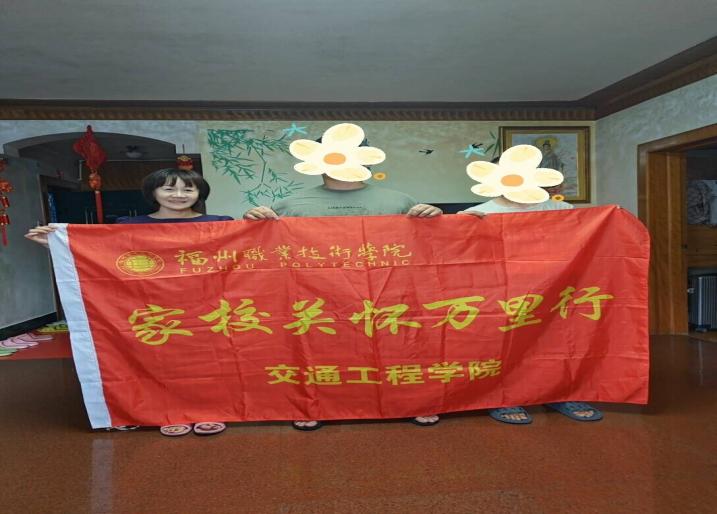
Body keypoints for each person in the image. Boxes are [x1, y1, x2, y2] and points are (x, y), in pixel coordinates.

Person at [25, 168, 233, 437]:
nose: (179, 195)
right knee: (158, 362)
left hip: (206, 307)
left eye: (188, 189)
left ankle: (210, 409)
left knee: (208, 361)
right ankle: (167, 411)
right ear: (153, 192)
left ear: (199, 193)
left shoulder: (220, 223)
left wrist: (262, 221)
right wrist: (56, 245)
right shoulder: (128, 226)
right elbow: (99, 256)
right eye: (169, 188)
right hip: (151, 307)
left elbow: (248, 252)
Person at [244, 174, 443, 431]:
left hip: (386, 293)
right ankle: (311, 405)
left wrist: (437, 219)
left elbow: (429, 246)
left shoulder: (400, 201)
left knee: (398, 347)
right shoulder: (290, 205)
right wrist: (252, 221)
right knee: (316, 349)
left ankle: (414, 401)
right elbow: (264, 250)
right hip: (316, 295)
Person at [458, 189, 603, 425]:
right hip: (503, 292)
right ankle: (503, 397)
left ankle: (560, 393)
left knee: (556, 341)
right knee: (504, 344)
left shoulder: (559, 209)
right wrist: (463, 225)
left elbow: (581, 241)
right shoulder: (478, 212)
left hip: (552, 288)